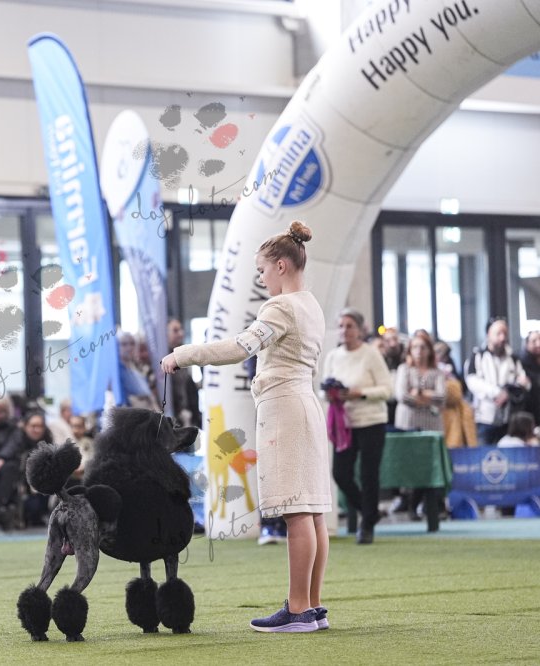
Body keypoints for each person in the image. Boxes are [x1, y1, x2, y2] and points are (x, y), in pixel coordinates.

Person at [162, 220, 331, 633]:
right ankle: (312, 606)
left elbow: (240, 348)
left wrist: (183, 354)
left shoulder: (280, 307)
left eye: (262, 269)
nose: (260, 278)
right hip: (306, 406)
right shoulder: (311, 304)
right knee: (312, 511)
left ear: (280, 266)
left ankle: (297, 610)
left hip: (285, 409)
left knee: (295, 511)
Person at [323, 307, 392, 545]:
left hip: (371, 421)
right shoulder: (332, 356)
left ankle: (367, 526)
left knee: (368, 474)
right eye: (341, 326)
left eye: (350, 326)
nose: (345, 330)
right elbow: (323, 389)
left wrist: (359, 393)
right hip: (344, 425)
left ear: (360, 330)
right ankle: (369, 512)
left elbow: (387, 390)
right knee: (340, 474)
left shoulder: (371, 354)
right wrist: (331, 395)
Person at [465, 317, 531, 445]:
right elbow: (472, 381)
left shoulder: (513, 358)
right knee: (484, 453)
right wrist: (497, 392)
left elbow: (524, 382)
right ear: (488, 334)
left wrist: (508, 392)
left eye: (505, 333)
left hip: (508, 418)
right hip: (484, 417)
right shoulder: (478, 356)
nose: (502, 338)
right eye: (498, 333)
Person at [0, 410, 54, 525]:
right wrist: (2, 458)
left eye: (40, 426)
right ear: (25, 426)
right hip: (21, 478)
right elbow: (10, 448)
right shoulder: (18, 436)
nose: (37, 430)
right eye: (33, 426)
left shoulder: (47, 439)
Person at [394, 331, 446, 433]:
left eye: (423, 347)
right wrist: (428, 397)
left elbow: (441, 397)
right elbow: (402, 396)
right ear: (410, 350)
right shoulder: (404, 369)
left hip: (432, 423)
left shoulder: (437, 372)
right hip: (407, 422)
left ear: (429, 350)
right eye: (415, 347)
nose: (419, 351)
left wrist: (419, 392)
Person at [167, 318, 203, 428]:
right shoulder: (163, 359)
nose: (180, 333)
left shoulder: (182, 355)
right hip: (173, 419)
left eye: (181, 329)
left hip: (188, 417)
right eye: (175, 330)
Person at [118, 331, 157, 410]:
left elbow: (150, 398)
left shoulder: (137, 371)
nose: (129, 348)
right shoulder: (116, 373)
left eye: (132, 343)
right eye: (124, 344)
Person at [518, 330, 540, 425]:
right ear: (527, 344)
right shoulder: (521, 362)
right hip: (530, 410)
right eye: (534, 341)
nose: (538, 344)